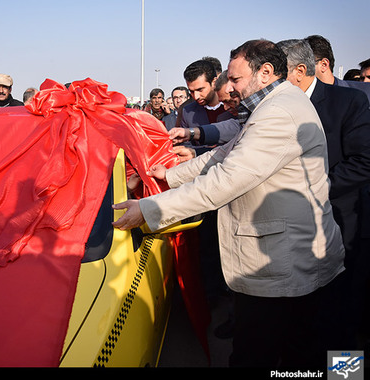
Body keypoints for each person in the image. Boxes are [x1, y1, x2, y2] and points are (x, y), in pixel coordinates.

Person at [112, 39, 345, 368]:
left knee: (278, 356)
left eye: (235, 79)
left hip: (284, 266)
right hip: (280, 262)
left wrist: (149, 210)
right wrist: (169, 174)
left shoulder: (278, 112)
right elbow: (223, 155)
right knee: (286, 352)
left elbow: (224, 181)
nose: (230, 87)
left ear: (265, 72)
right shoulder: (268, 106)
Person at [278, 38, 370, 349]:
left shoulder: (348, 103)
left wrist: (317, 188)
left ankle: (344, 371)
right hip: (289, 226)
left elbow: (364, 162)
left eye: (280, 73)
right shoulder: (276, 107)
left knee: (339, 316)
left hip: (338, 221)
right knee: (300, 319)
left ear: (300, 71)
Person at [176, 59, 234, 149]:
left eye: (200, 90)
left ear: (214, 82)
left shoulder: (234, 106)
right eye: (191, 91)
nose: (196, 96)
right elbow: (185, 146)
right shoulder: (188, 112)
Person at [305, 35, 370, 101]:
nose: (300, 72)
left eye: (305, 66)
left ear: (324, 64)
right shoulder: (302, 100)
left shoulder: (363, 94)